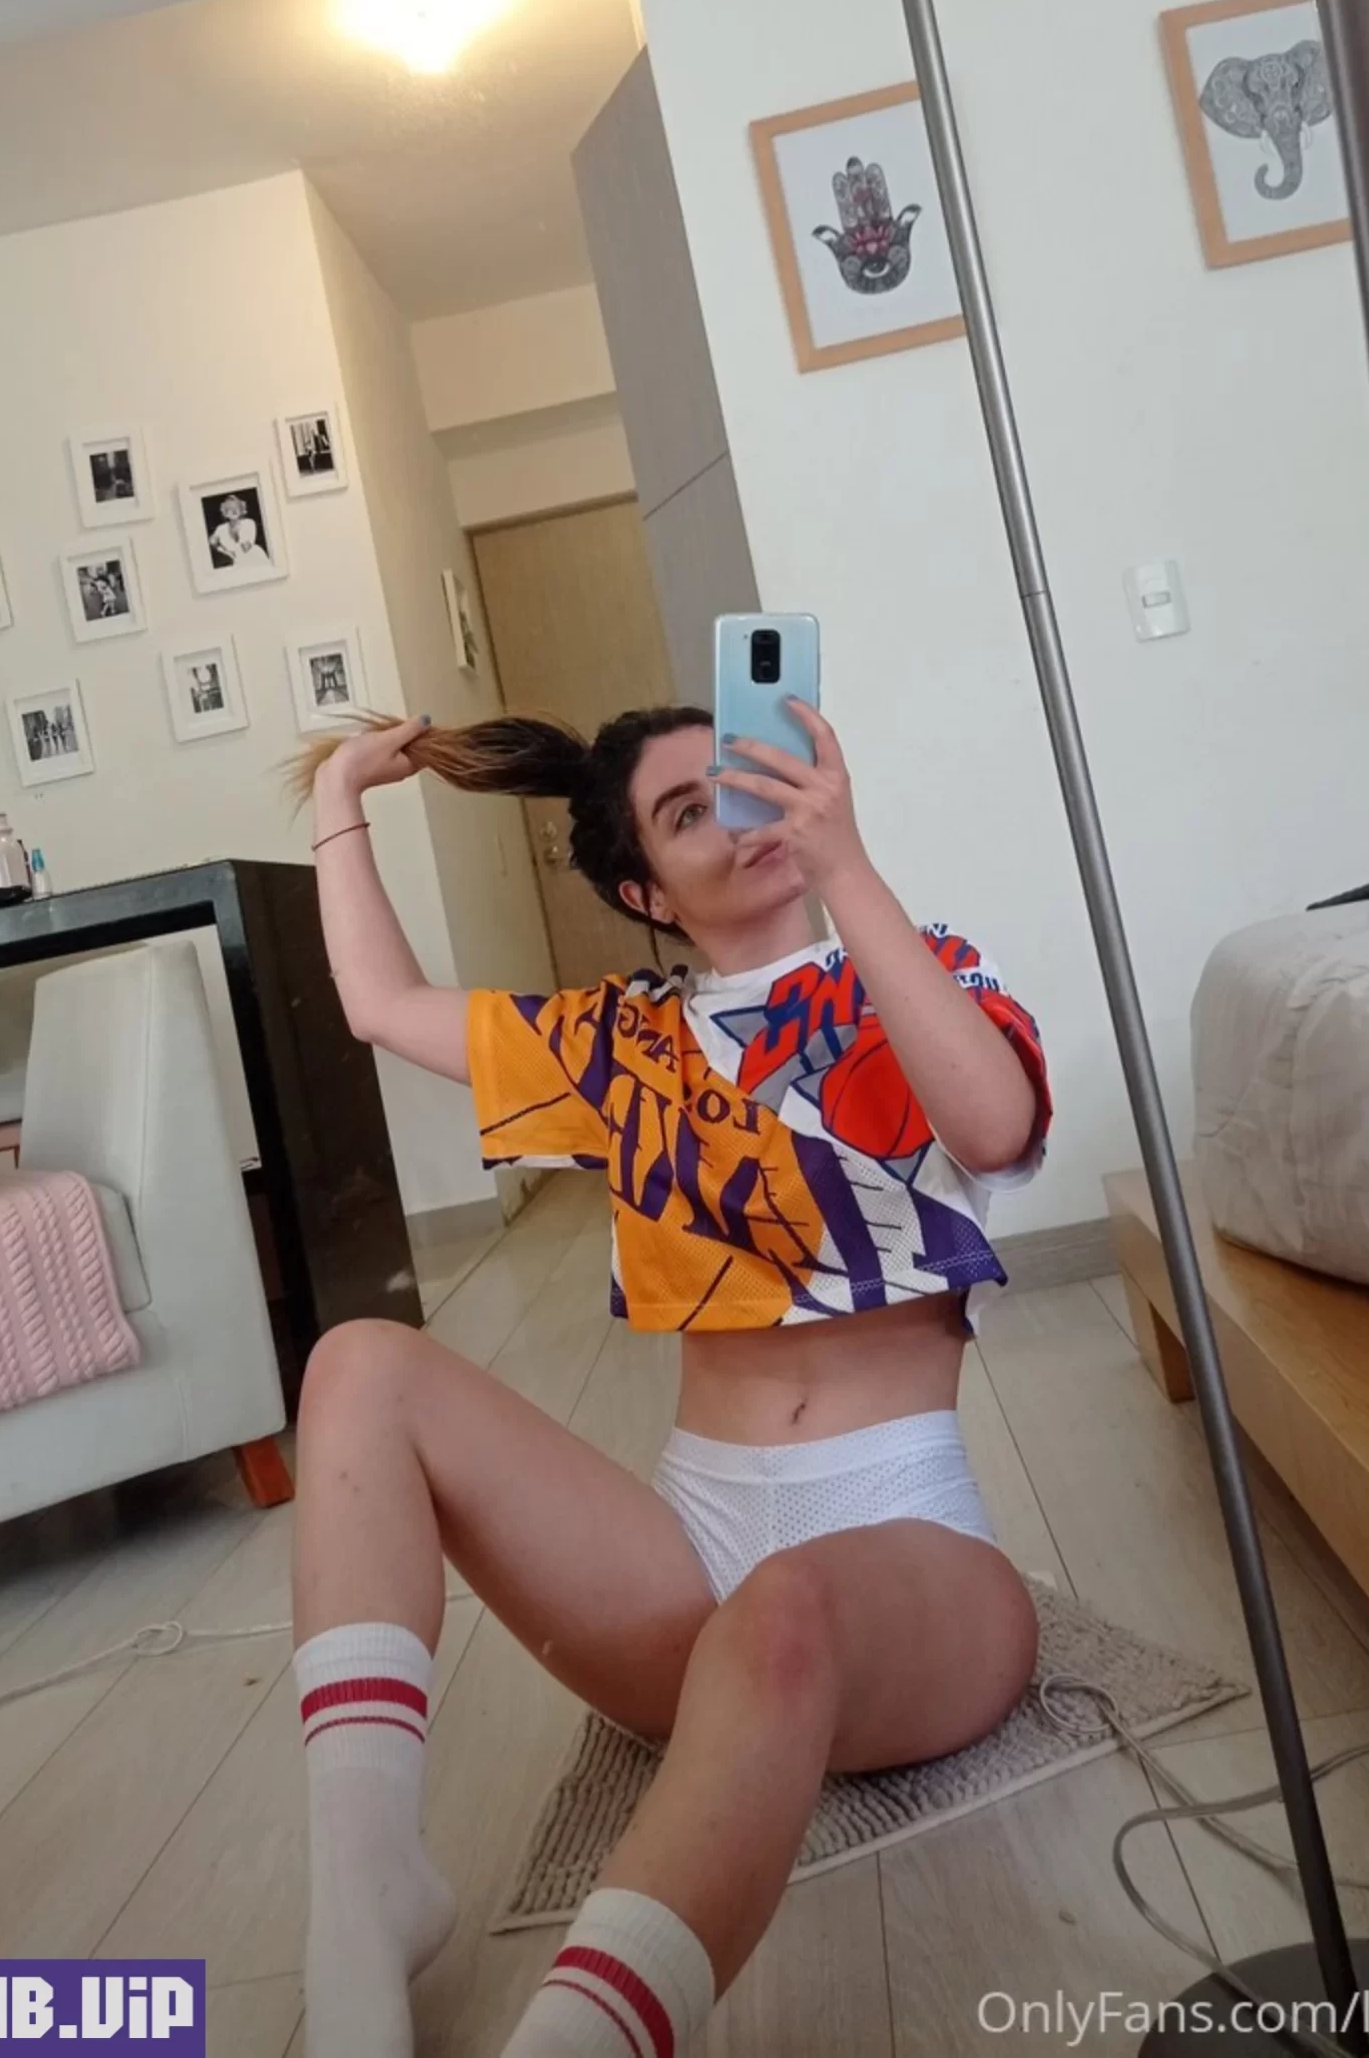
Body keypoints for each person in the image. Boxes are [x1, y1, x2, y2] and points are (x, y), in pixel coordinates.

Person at [294, 700, 1050, 2057]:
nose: (738, 820)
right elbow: (380, 1007)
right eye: (688, 812)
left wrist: (845, 864)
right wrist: (339, 799)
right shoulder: (621, 1045)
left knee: (784, 1613)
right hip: (684, 1558)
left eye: (744, 782)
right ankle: (359, 1905)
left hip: (905, 1538)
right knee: (359, 1363)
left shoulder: (918, 967)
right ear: (645, 892)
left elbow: (992, 1128)